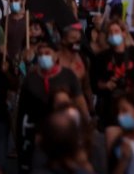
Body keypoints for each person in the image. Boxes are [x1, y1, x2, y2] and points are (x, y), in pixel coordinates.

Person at [17, 39, 87, 173]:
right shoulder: (31, 79)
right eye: (41, 54)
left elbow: (80, 103)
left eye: (47, 53)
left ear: (56, 55)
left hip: (65, 134)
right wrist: (20, 140)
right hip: (39, 136)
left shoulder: (68, 75)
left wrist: (84, 131)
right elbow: (22, 112)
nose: (44, 57)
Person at [92, 19, 134, 130]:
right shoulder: (101, 57)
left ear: (123, 33)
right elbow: (94, 84)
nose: (113, 34)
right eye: (110, 32)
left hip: (132, 104)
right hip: (110, 109)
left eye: (116, 31)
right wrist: (107, 85)